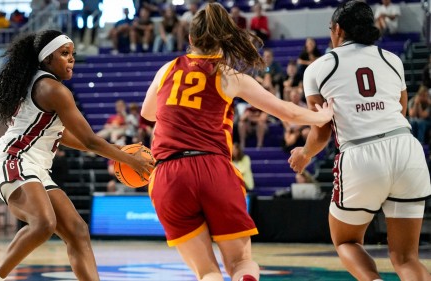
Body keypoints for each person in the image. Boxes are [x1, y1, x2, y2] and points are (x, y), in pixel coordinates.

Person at [140, 3, 333, 281]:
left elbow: (147, 113)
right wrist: (321, 116)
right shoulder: (229, 76)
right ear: (224, 39)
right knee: (241, 263)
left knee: (207, 272)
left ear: (191, 39)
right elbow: (286, 112)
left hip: (168, 174)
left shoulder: (167, 69)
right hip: (213, 169)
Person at [0, 30, 153, 281]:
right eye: (64, 53)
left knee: (77, 230)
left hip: (34, 166)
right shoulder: (51, 88)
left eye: (73, 54)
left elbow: (72, 139)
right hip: (13, 158)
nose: (71, 59)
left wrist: (117, 152)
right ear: (47, 59)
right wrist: (128, 158)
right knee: (43, 223)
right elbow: (90, 139)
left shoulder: (42, 83)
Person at [288, 1, 431, 281]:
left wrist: (304, 155)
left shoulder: (318, 69)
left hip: (361, 154)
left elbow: (322, 130)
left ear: (338, 29)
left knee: (346, 241)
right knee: (406, 258)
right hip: (406, 151)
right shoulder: (393, 60)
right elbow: (401, 110)